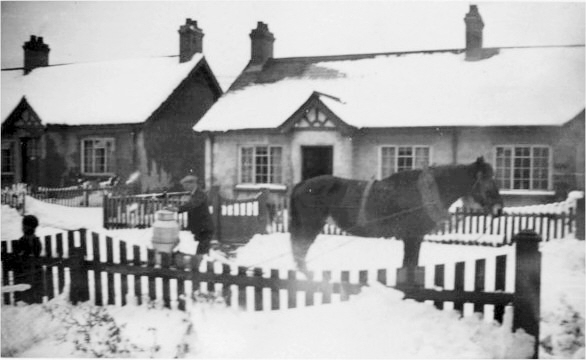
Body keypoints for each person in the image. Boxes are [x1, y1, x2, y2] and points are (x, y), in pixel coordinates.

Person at [173, 175, 215, 257]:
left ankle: (202, 266)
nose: (184, 187)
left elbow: (192, 205)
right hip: (201, 228)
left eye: (185, 185)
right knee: (203, 252)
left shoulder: (200, 194)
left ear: (191, 184)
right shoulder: (194, 194)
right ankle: (203, 265)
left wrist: (178, 209)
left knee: (201, 253)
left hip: (205, 228)